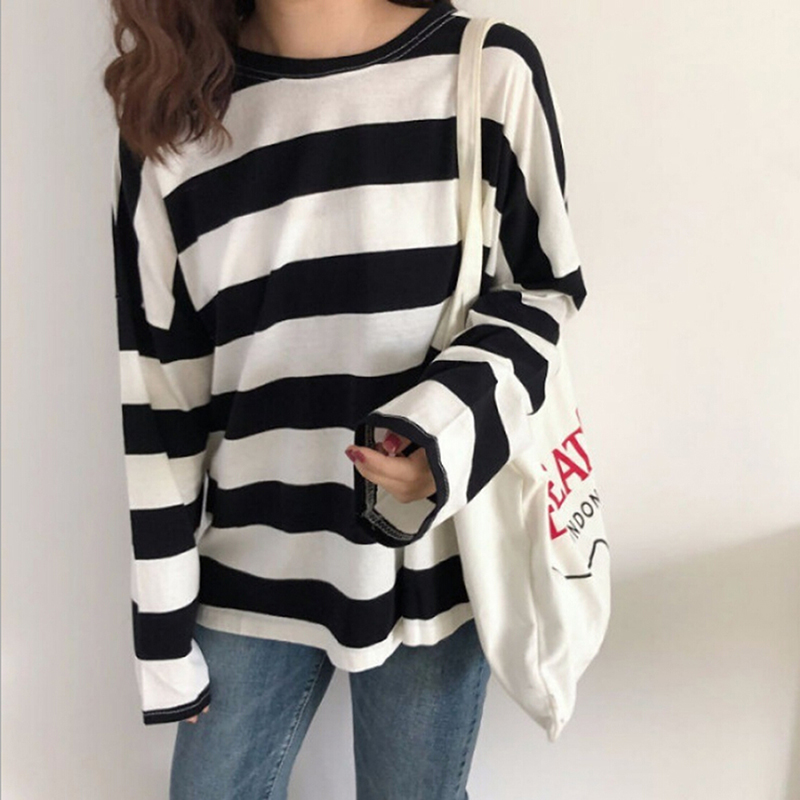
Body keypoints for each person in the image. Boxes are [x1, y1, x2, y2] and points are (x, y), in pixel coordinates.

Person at [104, 0, 587, 796]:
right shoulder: (172, 125)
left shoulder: (485, 70)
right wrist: (161, 632)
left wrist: (440, 433)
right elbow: (160, 401)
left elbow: (545, 293)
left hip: (430, 567)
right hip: (249, 569)